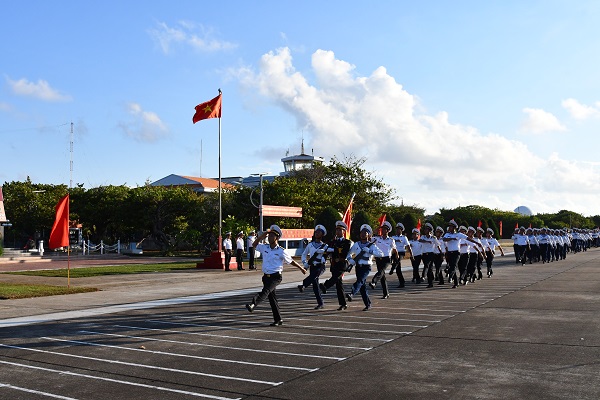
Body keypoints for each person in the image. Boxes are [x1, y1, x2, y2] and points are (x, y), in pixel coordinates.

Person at [245, 225, 307, 326]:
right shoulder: (265, 247)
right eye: (269, 236)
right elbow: (254, 244)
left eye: (271, 236)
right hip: (266, 277)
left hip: (275, 277)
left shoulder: (281, 251)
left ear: (277, 238)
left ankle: (253, 304)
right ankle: (278, 319)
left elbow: (291, 261)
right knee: (272, 299)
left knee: (265, 291)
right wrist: (262, 236)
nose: (269, 238)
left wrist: (301, 268)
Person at [346, 224, 384, 311]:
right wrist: (350, 260)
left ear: (369, 235)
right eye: (361, 233)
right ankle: (368, 304)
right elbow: (349, 254)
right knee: (362, 286)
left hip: (366, 267)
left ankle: (352, 293)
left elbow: (381, 254)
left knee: (359, 281)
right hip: (358, 267)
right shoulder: (356, 244)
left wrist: (370, 251)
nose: (363, 234)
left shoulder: (372, 245)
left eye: (365, 233)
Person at [320, 221, 353, 311]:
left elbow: (344, 252)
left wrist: (333, 250)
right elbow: (326, 250)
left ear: (344, 232)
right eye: (337, 230)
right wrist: (324, 257)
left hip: (342, 265)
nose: (338, 232)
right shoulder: (332, 242)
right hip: (334, 264)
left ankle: (326, 285)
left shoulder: (347, 242)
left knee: (336, 278)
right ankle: (343, 304)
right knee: (339, 285)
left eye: (340, 230)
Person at [299, 224, 329, 309]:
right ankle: (321, 303)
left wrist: (324, 257)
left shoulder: (325, 246)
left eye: (319, 232)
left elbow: (328, 255)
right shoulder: (310, 245)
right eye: (316, 232)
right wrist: (305, 263)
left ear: (322, 235)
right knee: (315, 284)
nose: (317, 233)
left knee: (314, 276)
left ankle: (304, 285)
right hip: (312, 266)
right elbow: (304, 254)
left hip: (320, 266)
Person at [369, 221, 395, 299]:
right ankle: (386, 293)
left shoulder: (391, 240)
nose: (382, 230)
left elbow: (394, 250)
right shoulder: (376, 238)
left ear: (387, 231)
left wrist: (395, 259)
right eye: (382, 229)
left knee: (381, 271)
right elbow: (368, 238)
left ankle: (374, 281)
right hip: (379, 258)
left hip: (387, 259)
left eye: (384, 229)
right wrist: (374, 231)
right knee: (382, 276)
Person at [442, 220, 467, 288]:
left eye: (451, 226)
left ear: (454, 227)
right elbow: (444, 239)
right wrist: (452, 238)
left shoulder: (459, 234)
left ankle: (450, 276)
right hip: (449, 253)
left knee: (453, 266)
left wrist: (477, 243)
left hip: (456, 253)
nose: (449, 228)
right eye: (449, 226)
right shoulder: (447, 234)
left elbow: (468, 238)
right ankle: (456, 283)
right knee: (452, 267)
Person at [419, 223, 442, 288]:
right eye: (425, 229)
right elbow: (420, 240)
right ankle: (430, 283)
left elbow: (438, 245)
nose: (425, 230)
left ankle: (423, 276)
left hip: (431, 254)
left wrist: (441, 253)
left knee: (427, 265)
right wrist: (427, 241)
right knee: (429, 269)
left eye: (426, 229)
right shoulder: (423, 236)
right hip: (424, 254)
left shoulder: (433, 238)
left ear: (429, 230)